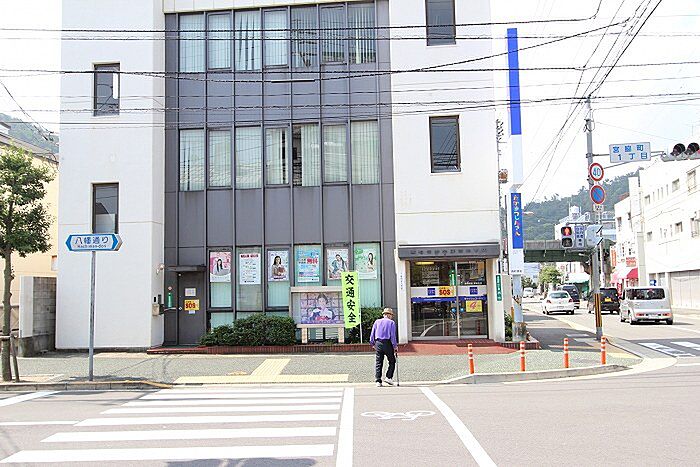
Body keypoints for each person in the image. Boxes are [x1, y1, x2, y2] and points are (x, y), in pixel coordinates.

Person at [369, 307, 398, 387]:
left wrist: (372, 343)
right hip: (387, 343)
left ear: (384, 314)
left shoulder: (377, 322)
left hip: (378, 343)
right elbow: (392, 336)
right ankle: (388, 377)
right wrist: (395, 346)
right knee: (392, 361)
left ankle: (378, 381)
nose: (391, 316)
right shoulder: (391, 323)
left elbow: (372, 333)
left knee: (379, 362)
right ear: (389, 315)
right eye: (391, 315)